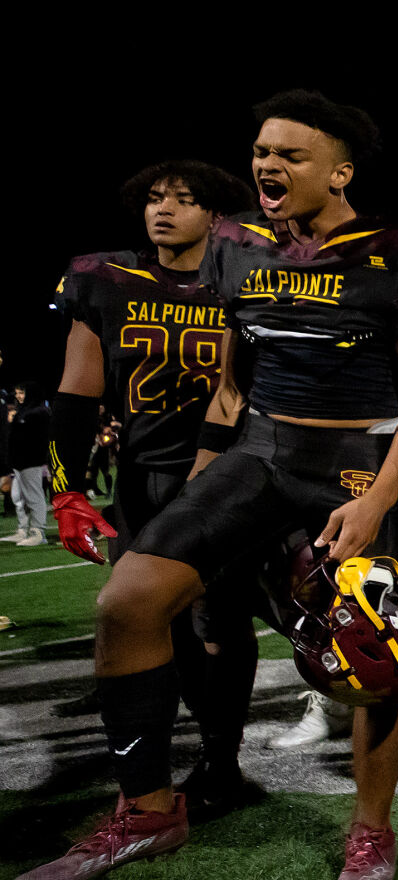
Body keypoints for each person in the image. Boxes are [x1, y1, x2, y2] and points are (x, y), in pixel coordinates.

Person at [11, 91, 398, 880]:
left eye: (289, 154)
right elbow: (227, 389)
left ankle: (371, 827)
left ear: (339, 171)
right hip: (256, 452)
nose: (267, 165)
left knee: (372, 653)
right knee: (129, 598)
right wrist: (196, 494)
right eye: (262, 151)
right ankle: (149, 809)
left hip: (351, 465)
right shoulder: (240, 253)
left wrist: (375, 501)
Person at [44, 160, 263, 814]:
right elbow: (74, 394)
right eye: (153, 200)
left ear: (214, 215)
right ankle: (186, 754)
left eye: (183, 200)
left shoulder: (242, 283)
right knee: (155, 621)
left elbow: (249, 386)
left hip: (226, 477)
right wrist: (67, 488)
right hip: (142, 478)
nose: (162, 210)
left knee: (222, 622)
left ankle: (222, 761)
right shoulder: (104, 279)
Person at [5, 383, 49, 546]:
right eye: (16, 393)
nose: (18, 396)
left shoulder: (39, 412)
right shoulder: (24, 411)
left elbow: (37, 439)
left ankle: (38, 532)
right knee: (18, 497)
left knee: (34, 496)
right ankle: (23, 529)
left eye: (22, 392)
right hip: (19, 462)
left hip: (31, 461)